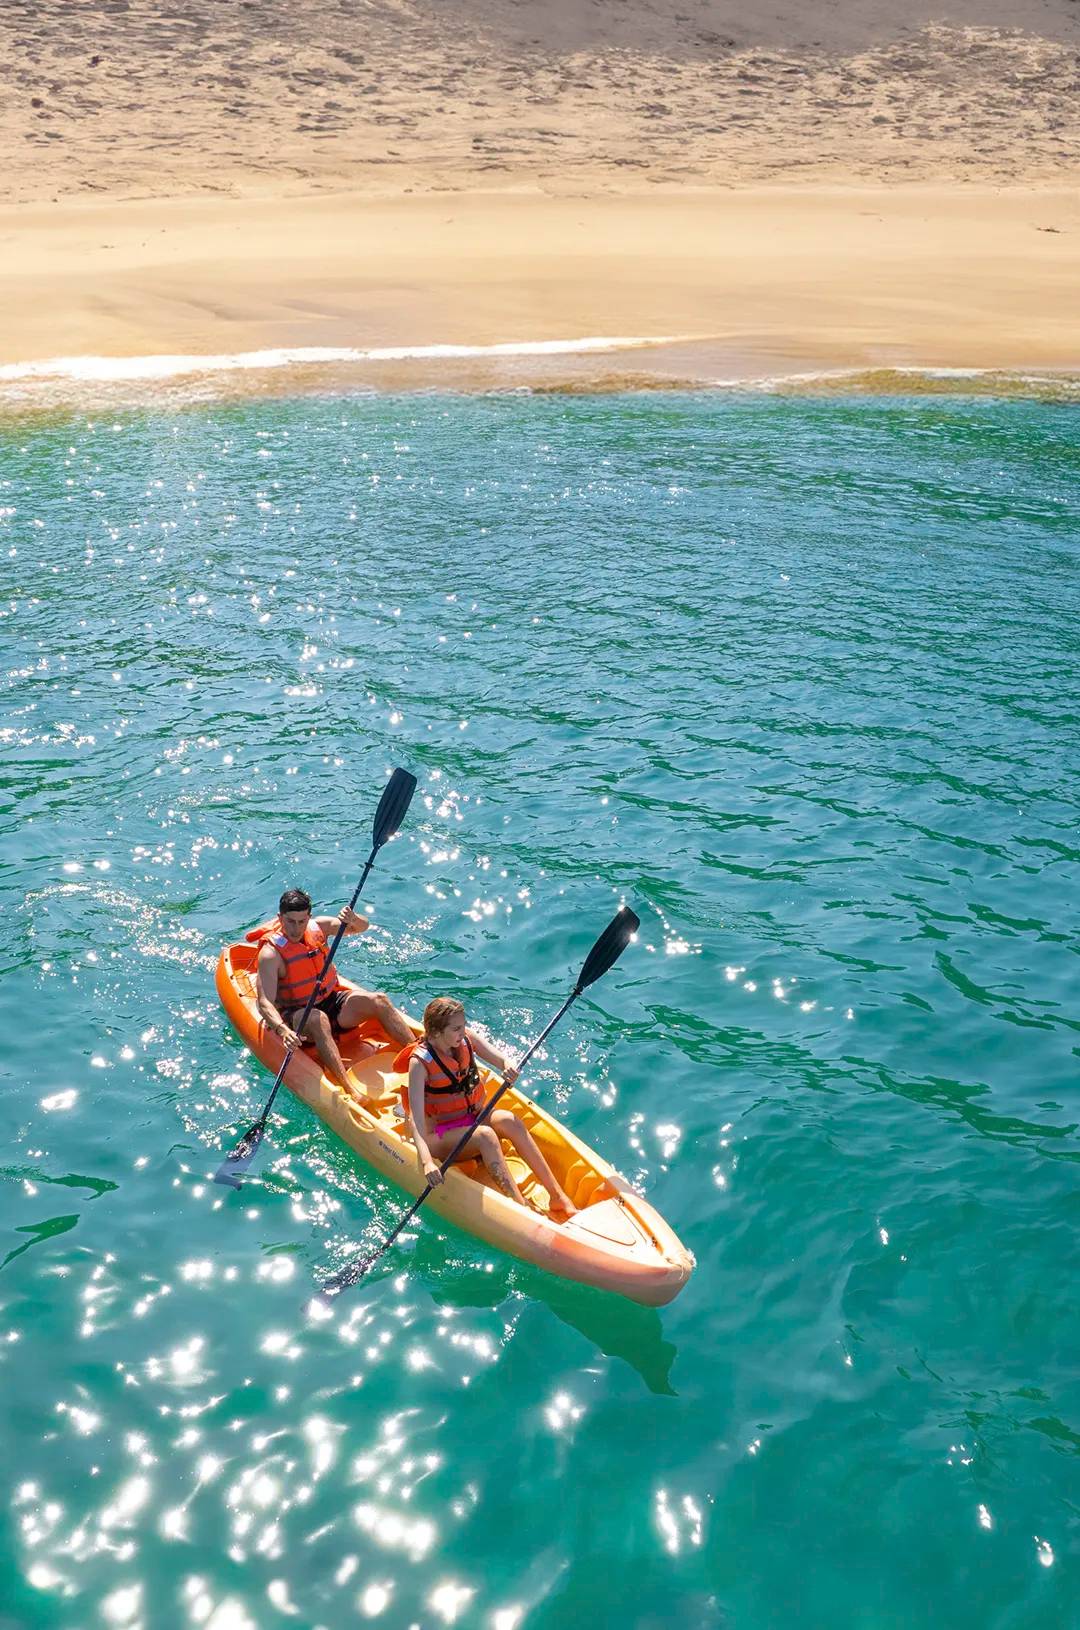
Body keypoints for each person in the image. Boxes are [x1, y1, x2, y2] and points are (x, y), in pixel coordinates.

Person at [397, 996, 577, 1218]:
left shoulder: (464, 1040)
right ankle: (520, 1209)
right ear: (435, 1033)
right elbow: (415, 1118)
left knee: (509, 1121)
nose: (463, 1032)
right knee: (485, 1136)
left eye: (463, 1025)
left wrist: (507, 1066)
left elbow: (500, 1059)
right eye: (456, 1028)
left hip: (468, 1119)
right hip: (438, 1135)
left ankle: (558, 1197)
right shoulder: (420, 1064)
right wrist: (425, 1162)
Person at [251, 888, 414, 1094]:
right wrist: (283, 1030)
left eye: (301, 921)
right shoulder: (270, 954)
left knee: (379, 1000)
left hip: (332, 1001)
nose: (296, 928)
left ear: (308, 917)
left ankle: (419, 1055)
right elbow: (264, 1002)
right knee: (317, 1019)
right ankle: (349, 1089)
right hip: (298, 1015)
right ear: (280, 918)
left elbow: (362, 927)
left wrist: (354, 918)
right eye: (290, 921)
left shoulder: (319, 927)